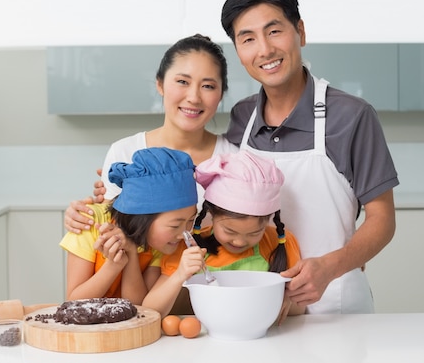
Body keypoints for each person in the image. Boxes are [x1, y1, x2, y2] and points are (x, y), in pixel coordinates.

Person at [220, 0, 399, 313]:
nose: (265, 50)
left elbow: (383, 219)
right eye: (248, 39)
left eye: (274, 31)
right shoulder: (242, 117)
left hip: (335, 304)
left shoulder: (352, 116)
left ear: (300, 32)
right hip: (258, 307)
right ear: (239, 52)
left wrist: (330, 266)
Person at [64, 34, 238, 233]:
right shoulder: (125, 152)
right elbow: (111, 231)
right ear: (160, 84)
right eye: (182, 82)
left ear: (221, 94)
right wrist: (84, 217)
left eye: (208, 86)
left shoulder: (234, 159)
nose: (194, 97)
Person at [142, 150, 306, 321]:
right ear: (212, 215)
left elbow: (299, 309)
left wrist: (284, 296)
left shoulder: (279, 242)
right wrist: (179, 275)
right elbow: (149, 312)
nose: (240, 241)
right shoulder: (189, 248)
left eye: (254, 233)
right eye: (230, 231)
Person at [59, 147, 198, 305]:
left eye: (191, 221)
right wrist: (113, 265)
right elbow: (73, 302)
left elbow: (138, 308)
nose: (184, 233)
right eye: (175, 225)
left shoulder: (162, 244)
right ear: (143, 218)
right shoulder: (89, 222)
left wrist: (131, 254)